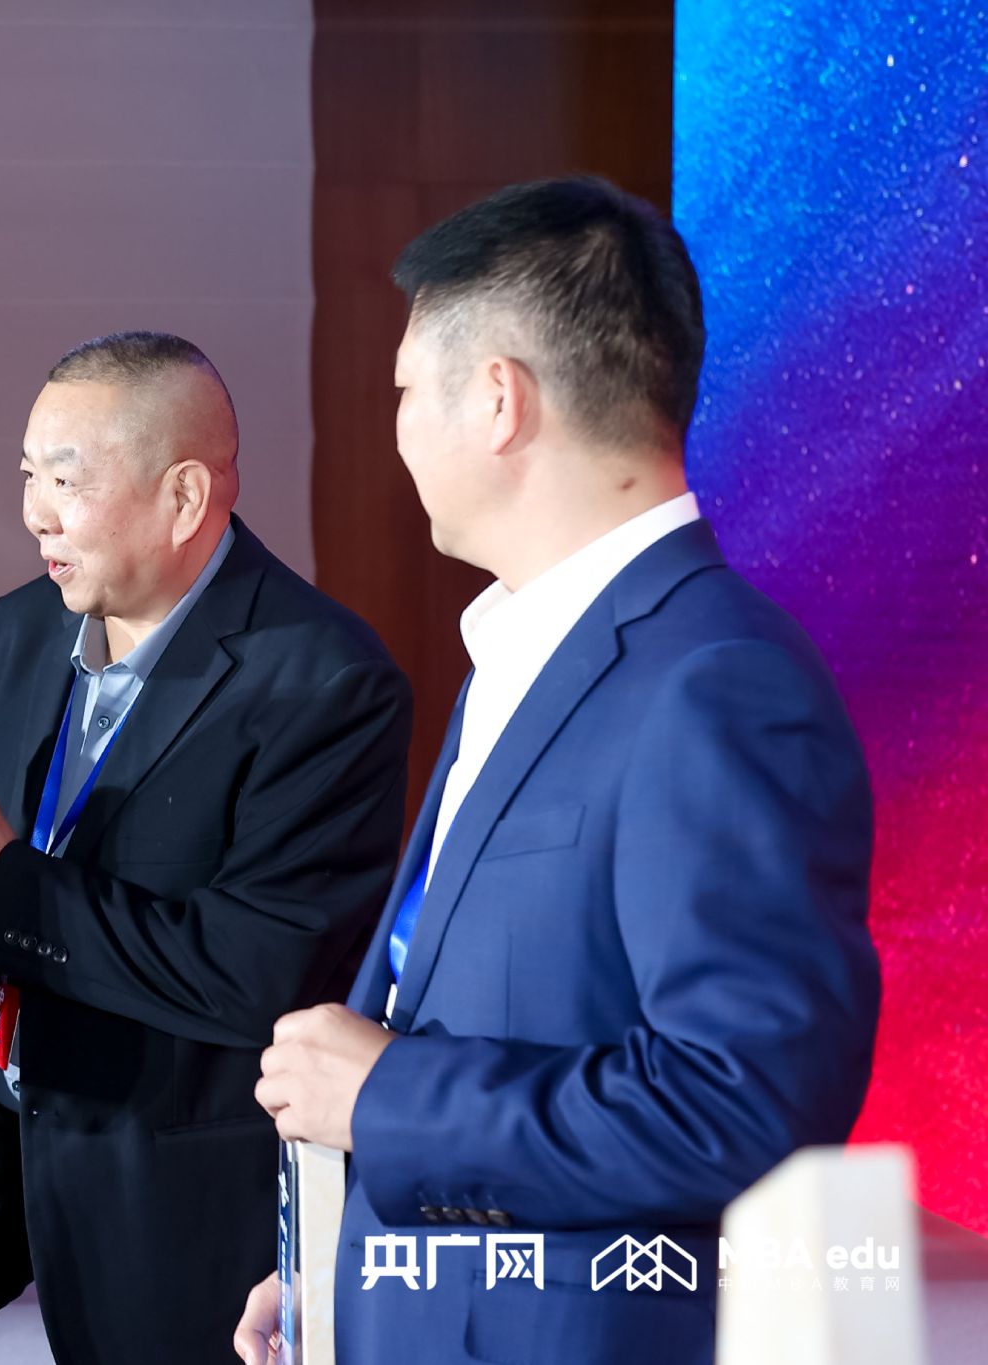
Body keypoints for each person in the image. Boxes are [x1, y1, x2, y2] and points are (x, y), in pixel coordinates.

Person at [234, 177, 881, 1365]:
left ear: (496, 401)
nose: (395, 431)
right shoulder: (524, 652)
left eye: (402, 393)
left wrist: (385, 1099)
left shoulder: (715, 681)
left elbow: (744, 1103)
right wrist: (341, 1262)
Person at [0, 332, 413, 1365]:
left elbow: (254, 971)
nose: (35, 512)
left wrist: (3, 884)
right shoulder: (18, 628)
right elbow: (22, 862)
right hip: (23, 1143)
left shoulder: (323, 680)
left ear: (183, 497)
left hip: (185, 1200)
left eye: (66, 481)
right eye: (27, 476)